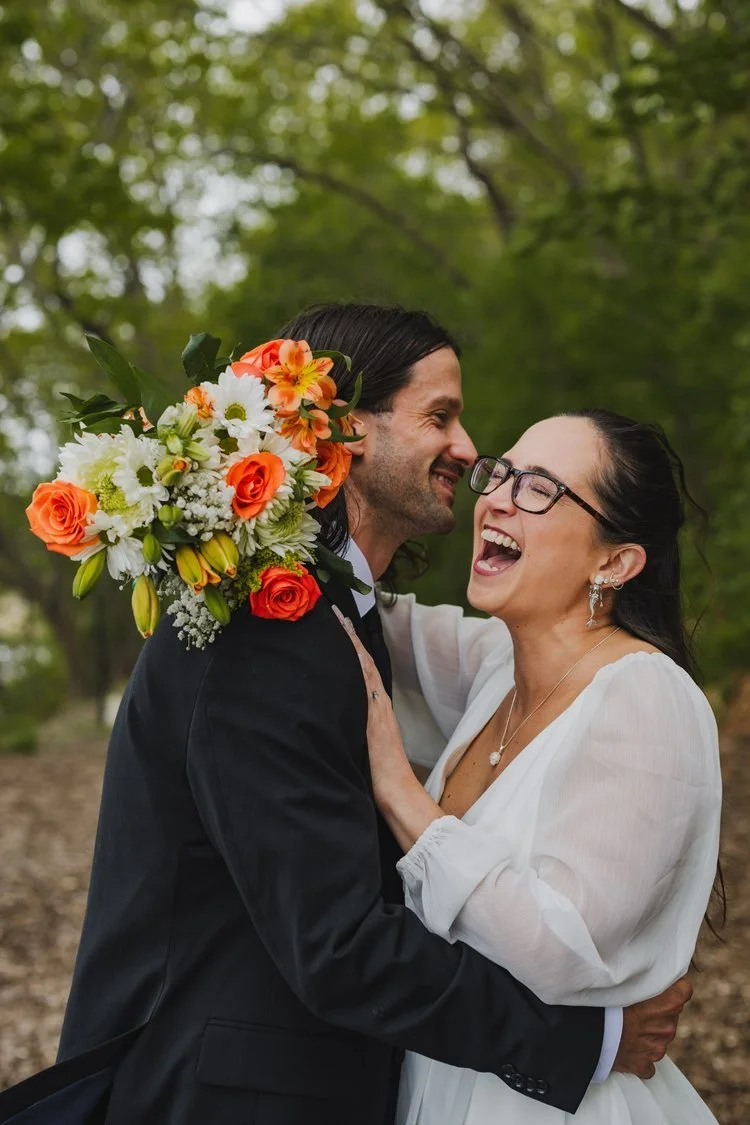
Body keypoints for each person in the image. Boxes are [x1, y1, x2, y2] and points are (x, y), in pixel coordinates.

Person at [0, 308, 689, 1125]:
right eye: (440, 416)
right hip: (226, 1099)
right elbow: (338, 944)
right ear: (345, 428)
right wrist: (585, 1043)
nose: (470, 452)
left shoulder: (337, 613)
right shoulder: (269, 623)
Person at [340, 407, 722, 1124]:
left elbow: (561, 952)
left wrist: (399, 792)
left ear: (614, 562)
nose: (498, 498)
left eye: (540, 487)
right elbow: (359, 607)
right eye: (502, 472)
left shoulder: (646, 697)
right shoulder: (498, 666)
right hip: (444, 1083)